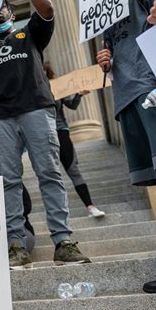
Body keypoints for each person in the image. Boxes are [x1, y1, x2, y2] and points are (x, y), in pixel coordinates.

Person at [0, 0, 90, 269]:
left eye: (1, 8)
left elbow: (48, 9)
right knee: (6, 179)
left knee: (49, 172)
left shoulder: (29, 34)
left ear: (10, 11)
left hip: (35, 108)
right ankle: (16, 244)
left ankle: (63, 241)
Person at [94, 0, 156, 186]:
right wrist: (106, 61)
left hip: (151, 84)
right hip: (126, 95)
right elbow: (114, 47)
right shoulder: (104, 9)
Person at [44, 63, 105, 218]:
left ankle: (91, 207)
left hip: (60, 131)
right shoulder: (28, 91)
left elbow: (72, 105)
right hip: (42, 135)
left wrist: (79, 94)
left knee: (73, 169)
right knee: (49, 174)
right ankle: (57, 214)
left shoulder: (57, 87)